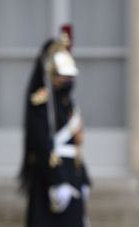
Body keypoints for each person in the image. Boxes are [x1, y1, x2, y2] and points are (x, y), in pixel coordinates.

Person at [18, 29, 91, 227]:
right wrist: (56, 180)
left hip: (72, 177)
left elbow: (76, 146)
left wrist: (84, 178)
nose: (67, 79)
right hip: (50, 179)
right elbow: (42, 143)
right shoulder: (41, 101)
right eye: (62, 75)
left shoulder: (68, 103)